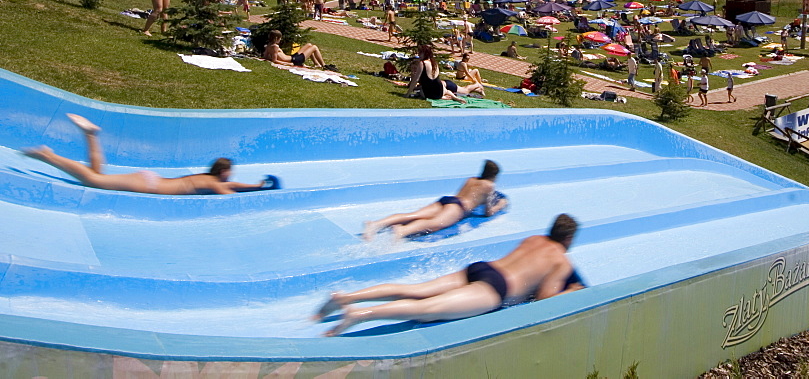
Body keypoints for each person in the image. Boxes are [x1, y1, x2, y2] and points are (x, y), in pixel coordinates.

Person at [319, 214, 583, 336]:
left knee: (414, 289)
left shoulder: (534, 239)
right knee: (426, 309)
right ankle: (359, 315)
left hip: (481, 268)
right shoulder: (560, 260)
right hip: (495, 289)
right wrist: (571, 291)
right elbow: (545, 299)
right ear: (569, 238)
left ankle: (346, 298)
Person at [23, 114, 275, 195]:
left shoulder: (209, 178)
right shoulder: (214, 184)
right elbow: (229, 193)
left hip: (150, 180)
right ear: (223, 172)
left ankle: (90, 135)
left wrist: (257, 186)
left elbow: (233, 185)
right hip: (149, 184)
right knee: (95, 181)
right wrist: (260, 194)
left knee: (98, 175)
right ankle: (49, 156)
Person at [362, 160, 506, 241]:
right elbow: (488, 212)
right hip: (459, 207)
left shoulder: (471, 179)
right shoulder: (489, 185)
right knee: (436, 223)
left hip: (448, 200)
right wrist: (498, 205)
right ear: (494, 176)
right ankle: (402, 230)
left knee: (413, 215)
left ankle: (375, 224)